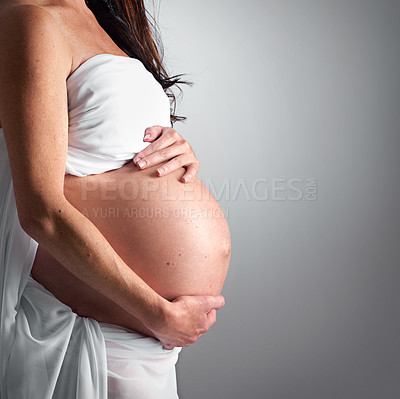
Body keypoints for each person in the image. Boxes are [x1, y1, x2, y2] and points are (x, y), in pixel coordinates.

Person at [0, 0, 231, 397]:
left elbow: (102, 145)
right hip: (94, 331)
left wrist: (175, 149)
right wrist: (158, 314)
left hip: (136, 341)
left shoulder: (97, 18)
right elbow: (41, 211)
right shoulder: (31, 17)